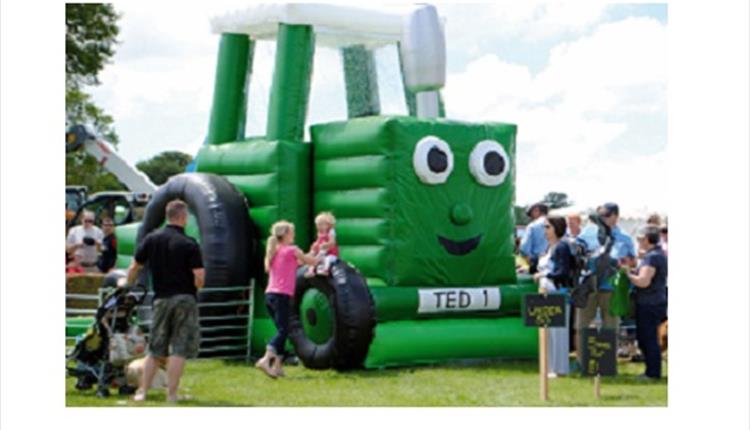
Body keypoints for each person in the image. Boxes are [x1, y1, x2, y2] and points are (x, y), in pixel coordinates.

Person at [127, 200, 205, 403]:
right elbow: (200, 277)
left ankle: (142, 392)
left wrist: (127, 284)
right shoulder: (189, 243)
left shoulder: (151, 239)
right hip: (185, 298)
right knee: (179, 348)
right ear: (182, 217)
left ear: (167, 215)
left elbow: (134, 266)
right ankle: (171, 394)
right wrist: (196, 287)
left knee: (155, 348)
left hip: (161, 298)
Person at [256, 221, 319, 378]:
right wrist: (322, 253)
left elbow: (298, 263)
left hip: (270, 295)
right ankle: (266, 358)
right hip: (281, 296)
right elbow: (310, 262)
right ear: (285, 235)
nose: (294, 235)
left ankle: (277, 367)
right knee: (284, 331)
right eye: (292, 232)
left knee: (282, 331)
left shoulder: (275, 252)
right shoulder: (292, 250)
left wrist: (309, 254)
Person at [576, 202, 636, 364]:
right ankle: (583, 362)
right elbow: (577, 254)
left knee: (611, 326)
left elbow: (633, 261)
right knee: (582, 325)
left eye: (607, 215)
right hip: (589, 285)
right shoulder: (587, 232)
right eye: (600, 215)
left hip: (611, 286)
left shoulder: (625, 237)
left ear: (616, 216)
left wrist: (620, 263)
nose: (603, 218)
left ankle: (607, 362)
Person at [623, 225, 668, 380]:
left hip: (649, 303)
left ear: (648, 239)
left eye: (641, 239)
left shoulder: (652, 257)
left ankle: (652, 372)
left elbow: (643, 281)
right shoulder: (658, 255)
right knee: (648, 338)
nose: (639, 243)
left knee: (647, 338)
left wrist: (627, 274)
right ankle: (652, 370)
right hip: (656, 301)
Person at [534, 216, 574, 377]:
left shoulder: (562, 247)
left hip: (558, 293)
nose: (545, 230)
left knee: (559, 333)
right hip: (546, 292)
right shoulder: (550, 247)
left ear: (556, 228)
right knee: (548, 332)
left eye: (547, 227)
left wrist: (544, 274)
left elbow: (562, 271)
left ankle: (560, 368)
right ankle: (551, 366)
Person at [306, 212, 339, 277]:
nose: (319, 227)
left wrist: (326, 245)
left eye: (321, 224)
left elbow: (332, 242)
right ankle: (310, 270)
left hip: (331, 254)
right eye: (317, 225)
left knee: (327, 259)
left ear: (328, 225)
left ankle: (325, 270)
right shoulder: (320, 233)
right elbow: (318, 242)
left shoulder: (331, 232)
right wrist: (315, 246)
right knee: (314, 259)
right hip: (322, 253)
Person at [520, 202, 549, 274]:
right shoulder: (558, 224)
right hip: (555, 264)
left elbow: (524, 248)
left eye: (531, 214)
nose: (530, 217)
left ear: (536, 210)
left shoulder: (532, 226)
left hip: (537, 263)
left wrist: (530, 260)